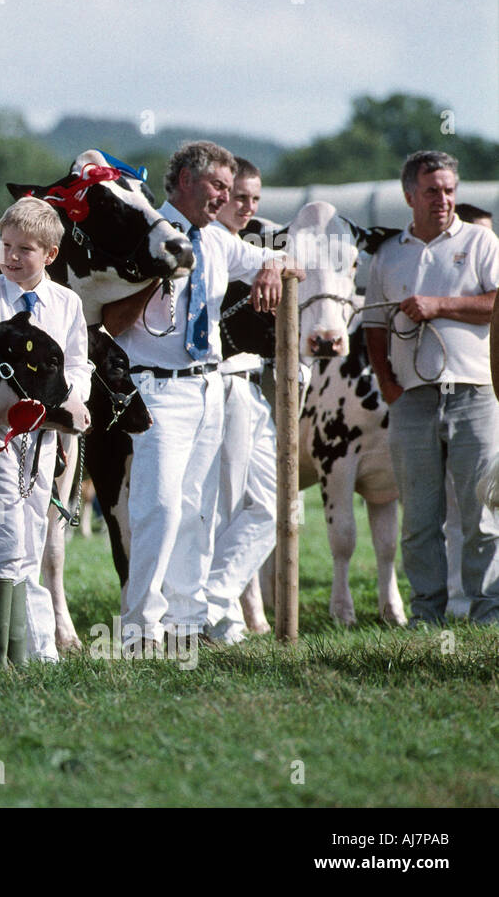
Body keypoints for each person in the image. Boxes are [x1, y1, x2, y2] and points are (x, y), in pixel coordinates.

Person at [102, 141, 293, 652]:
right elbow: (111, 322)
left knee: (198, 509)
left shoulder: (218, 241)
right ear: (186, 180)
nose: (225, 199)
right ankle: (140, 628)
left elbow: (278, 257)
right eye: (217, 187)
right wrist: (162, 274)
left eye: (231, 190)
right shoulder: (142, 233)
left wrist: (272, 267)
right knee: (158, 507)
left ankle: (188, 625)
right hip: (155, 387)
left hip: (210, 385)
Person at [365, 151, 499, 625]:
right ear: (409, 196)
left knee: (481, 513)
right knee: (420, 520)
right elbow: (374, 326)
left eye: (448, 190)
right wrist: (387, 383)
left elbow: (495, 303)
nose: (442, 199)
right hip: (413, 399)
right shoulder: (388, 254)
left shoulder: (482, 242)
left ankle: (487, 616)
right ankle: (428, 617)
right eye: (431, 191)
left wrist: (437, 305)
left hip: (473, 393)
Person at [0, 197, 91, 666]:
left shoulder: (67, 304)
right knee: (0, 535)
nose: (10, 257)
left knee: (34, 533)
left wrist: (70, 398)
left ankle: (39, 649)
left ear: (50, 255)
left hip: (46, 436)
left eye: (24, 249)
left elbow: (76, 363)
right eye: (6, 246)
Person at [205, 157, 277, 643]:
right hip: (214, 385)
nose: (248, 207)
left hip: (253, 386)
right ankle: (222, 617)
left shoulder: (257, 250)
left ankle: (209, 603)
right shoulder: (201, 248)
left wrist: (271, 262)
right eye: (239, 198)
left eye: (255, 199)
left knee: (272, 506)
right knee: (221, 506)